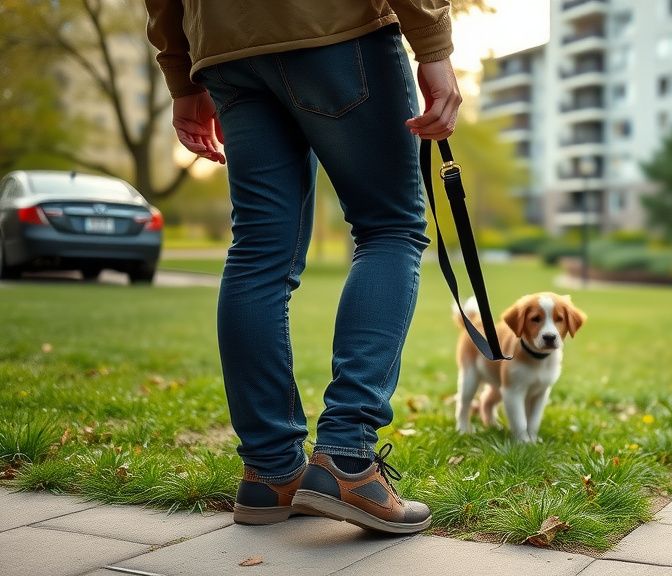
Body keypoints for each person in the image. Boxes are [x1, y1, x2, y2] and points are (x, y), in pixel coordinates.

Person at [145, 1, 461, 534]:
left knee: (257, 254)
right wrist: (432, 44)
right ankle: (347, 458)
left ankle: (271, 472)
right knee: (389, 229)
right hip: (334, 27)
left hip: (224, 46)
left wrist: (181, 75)